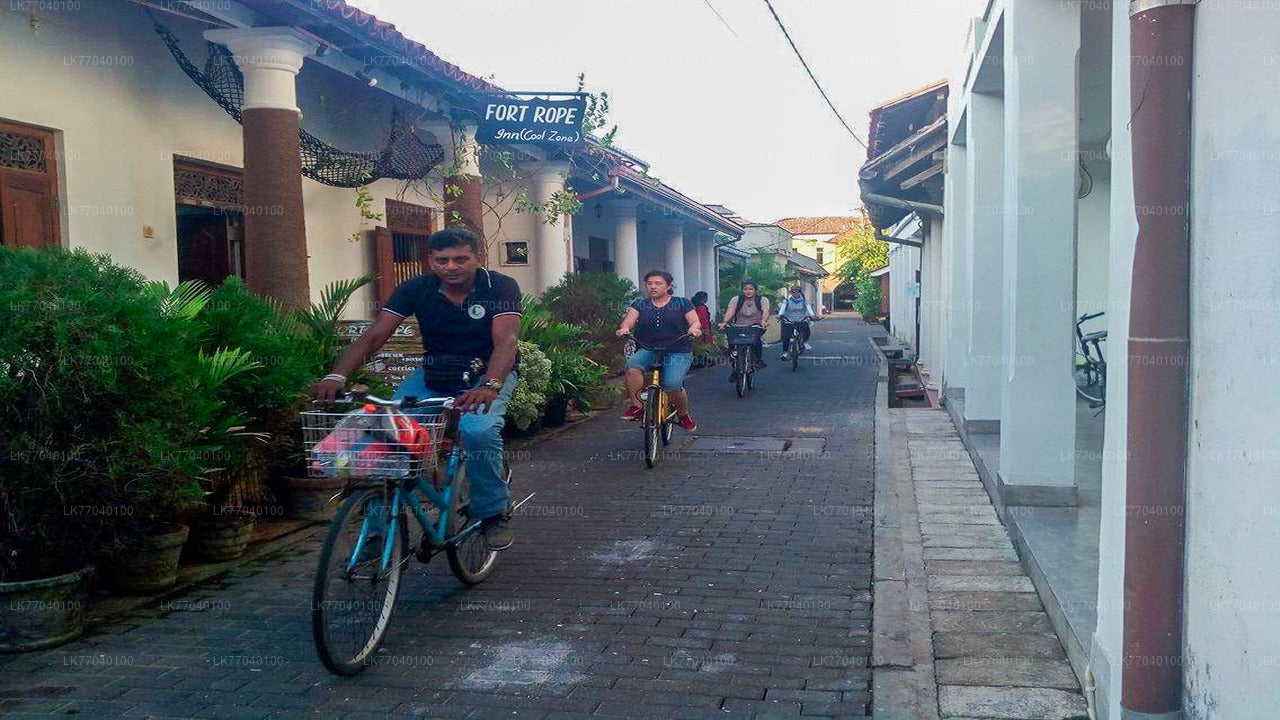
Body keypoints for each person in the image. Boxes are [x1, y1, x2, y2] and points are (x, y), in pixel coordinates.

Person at [312, 227, 521, 551]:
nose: (451, 266)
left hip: (487, 374)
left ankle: (493, 513)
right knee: (387, 432)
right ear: (430, 261)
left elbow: (505, 341)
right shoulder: (416, 289)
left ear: (478, 257)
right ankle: (376, 533)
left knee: (477, 430)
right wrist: (336, 376)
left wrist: (491, 385)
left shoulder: (500, 286)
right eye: (442, 260)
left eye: (460, 259)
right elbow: (374, 336)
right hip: (434, 373)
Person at [615, 270, 702, 431]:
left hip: (677, 350)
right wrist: (624, 328)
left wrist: (694, 329)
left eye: (658, 283)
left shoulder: (682, 303)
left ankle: (684, 415)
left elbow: (695, 322)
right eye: (649, 284)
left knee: (672, 384)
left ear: (668, 286)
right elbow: (629, 320)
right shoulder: (640, 304)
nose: (653, 287)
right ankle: (637, 406)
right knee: (632, 366)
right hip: (648, 348)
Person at [719, 281, 771, 374]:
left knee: (756, 341)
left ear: (755, 290)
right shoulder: (736, 299)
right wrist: (725, 322)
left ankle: (758, 359)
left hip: (755, 326)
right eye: (745, 289)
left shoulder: (762, 300)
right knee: (732, 345)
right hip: (739, 326)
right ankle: (735, 367)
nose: (748, 291)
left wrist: (763, 321)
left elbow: (765, 311)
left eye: (751, 289)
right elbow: (730, 311)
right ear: (742, 290)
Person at [778, 286, 818, 361]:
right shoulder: (786, 301)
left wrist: (812, 315)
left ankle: (805, 342)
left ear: (800, 292)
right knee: (786, 336)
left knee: (806, 329)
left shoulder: (805, 301)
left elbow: (809, 308)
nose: (796, 293)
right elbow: (782, 309)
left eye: (798, 291)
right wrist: (780, 315)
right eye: (793, 292)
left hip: (801, 319)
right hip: (789, 319)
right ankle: (785, 352)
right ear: (791, 293)